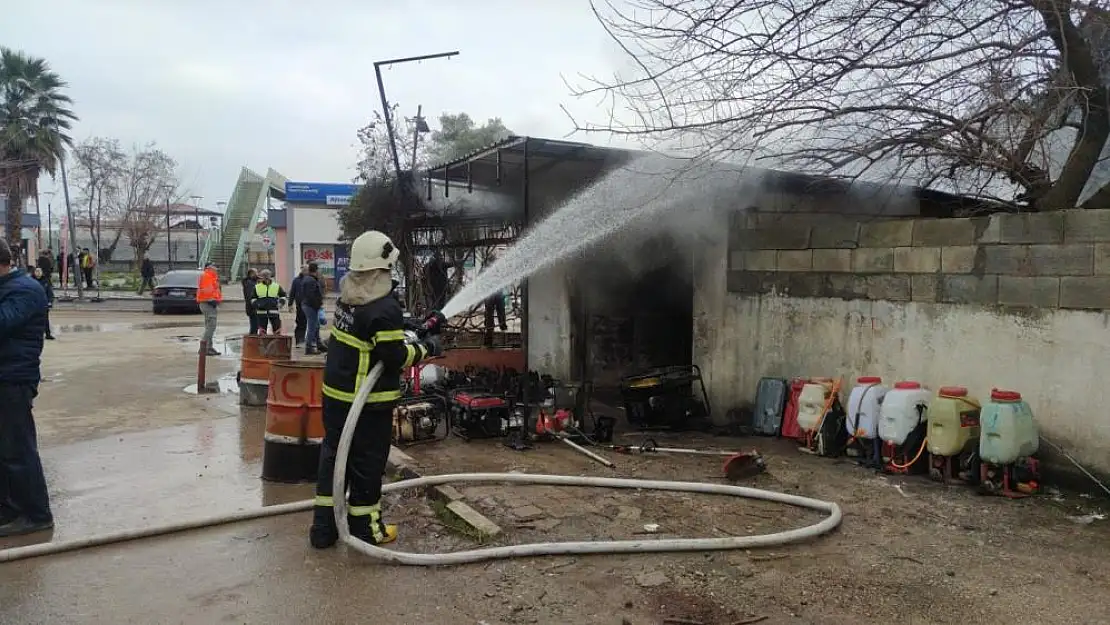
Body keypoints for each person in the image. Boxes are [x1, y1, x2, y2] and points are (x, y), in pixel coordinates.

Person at [310, 230, 442, 549]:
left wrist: (412, 328)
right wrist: (428, 347)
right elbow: (395, 356)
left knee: (334, 460)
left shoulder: (349, 296)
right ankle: (366, 530)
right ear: (381, 268)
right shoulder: (383, 308)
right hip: (367, 406)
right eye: (389, 268)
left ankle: (324, 530)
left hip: (336, 398)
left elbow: (372, 335)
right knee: (367, 466)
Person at [0, 239, 54, 537]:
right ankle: (9, 509)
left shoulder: (24, 290)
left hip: (13, 379)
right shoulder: (8, 288)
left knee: (18, 450)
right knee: (3, 450)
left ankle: (36, 514)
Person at [300, 262, 328, 355]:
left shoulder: (310, 279)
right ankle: (309, 348)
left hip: (310, 306)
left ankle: (319, 344)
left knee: (316, 326)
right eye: (318, 269)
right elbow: (311, 296)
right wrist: (317, 305)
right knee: (312, 327)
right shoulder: (310, 280)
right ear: (316, 270)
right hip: (310, 306)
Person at [196, 263, 222, 356]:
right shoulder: (207, 276)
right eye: (215, 267)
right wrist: (213, 300)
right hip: (208, 303)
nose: (216, 269)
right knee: (211, 326)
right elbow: (207, 291)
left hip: (209, 303)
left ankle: (208, 347)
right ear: (210, 268)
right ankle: (204, 347)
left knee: (209, 326)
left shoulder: (211, 277)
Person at [252, 270, 286, 335]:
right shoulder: (257, 287)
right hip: (261, 312)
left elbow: (283, 296)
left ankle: (277, 343)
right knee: (262, 331)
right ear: (262, 277)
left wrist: (281, 303)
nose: (266, 277)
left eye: (267, 275)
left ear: (270, 276)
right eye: (264, 276)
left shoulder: (276, 286)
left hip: (274, 311)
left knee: (277, 330)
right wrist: (257, 305)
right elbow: (253, 298)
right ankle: (262, 344)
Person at [31, 266, 55, 340]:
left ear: (42, 272)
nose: (38, 273)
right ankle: (34, 334)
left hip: (43, 305)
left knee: (45, 320)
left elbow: (50, 293)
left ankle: (48, 334)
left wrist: (50, 302)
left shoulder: (46, 281)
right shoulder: (31, 281)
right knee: (33, 321)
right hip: (33, 304)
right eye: (36, 271)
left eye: (39, 271)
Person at [288, 265, 308, 345]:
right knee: (300, 323)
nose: (306, 272)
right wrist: (290, 304)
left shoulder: (311, 279)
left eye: (307, 270)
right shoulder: (296, 280)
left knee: (308, 323)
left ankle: (305, 339)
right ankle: (299, 340)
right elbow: (292, 293)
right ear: (302, 271)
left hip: (309, 305)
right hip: (300, 305)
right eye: (304, 270)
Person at [241, 268, 259, 335]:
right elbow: (250, 296)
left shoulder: (251, 282)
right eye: (256, 273)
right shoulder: (250, 283)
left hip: (251, 307)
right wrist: (255, 306)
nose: (257, 274)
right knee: (254, 326)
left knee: (254, 326)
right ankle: (252, 340)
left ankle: (253, 339)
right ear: (251, 274)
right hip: (252, 308)